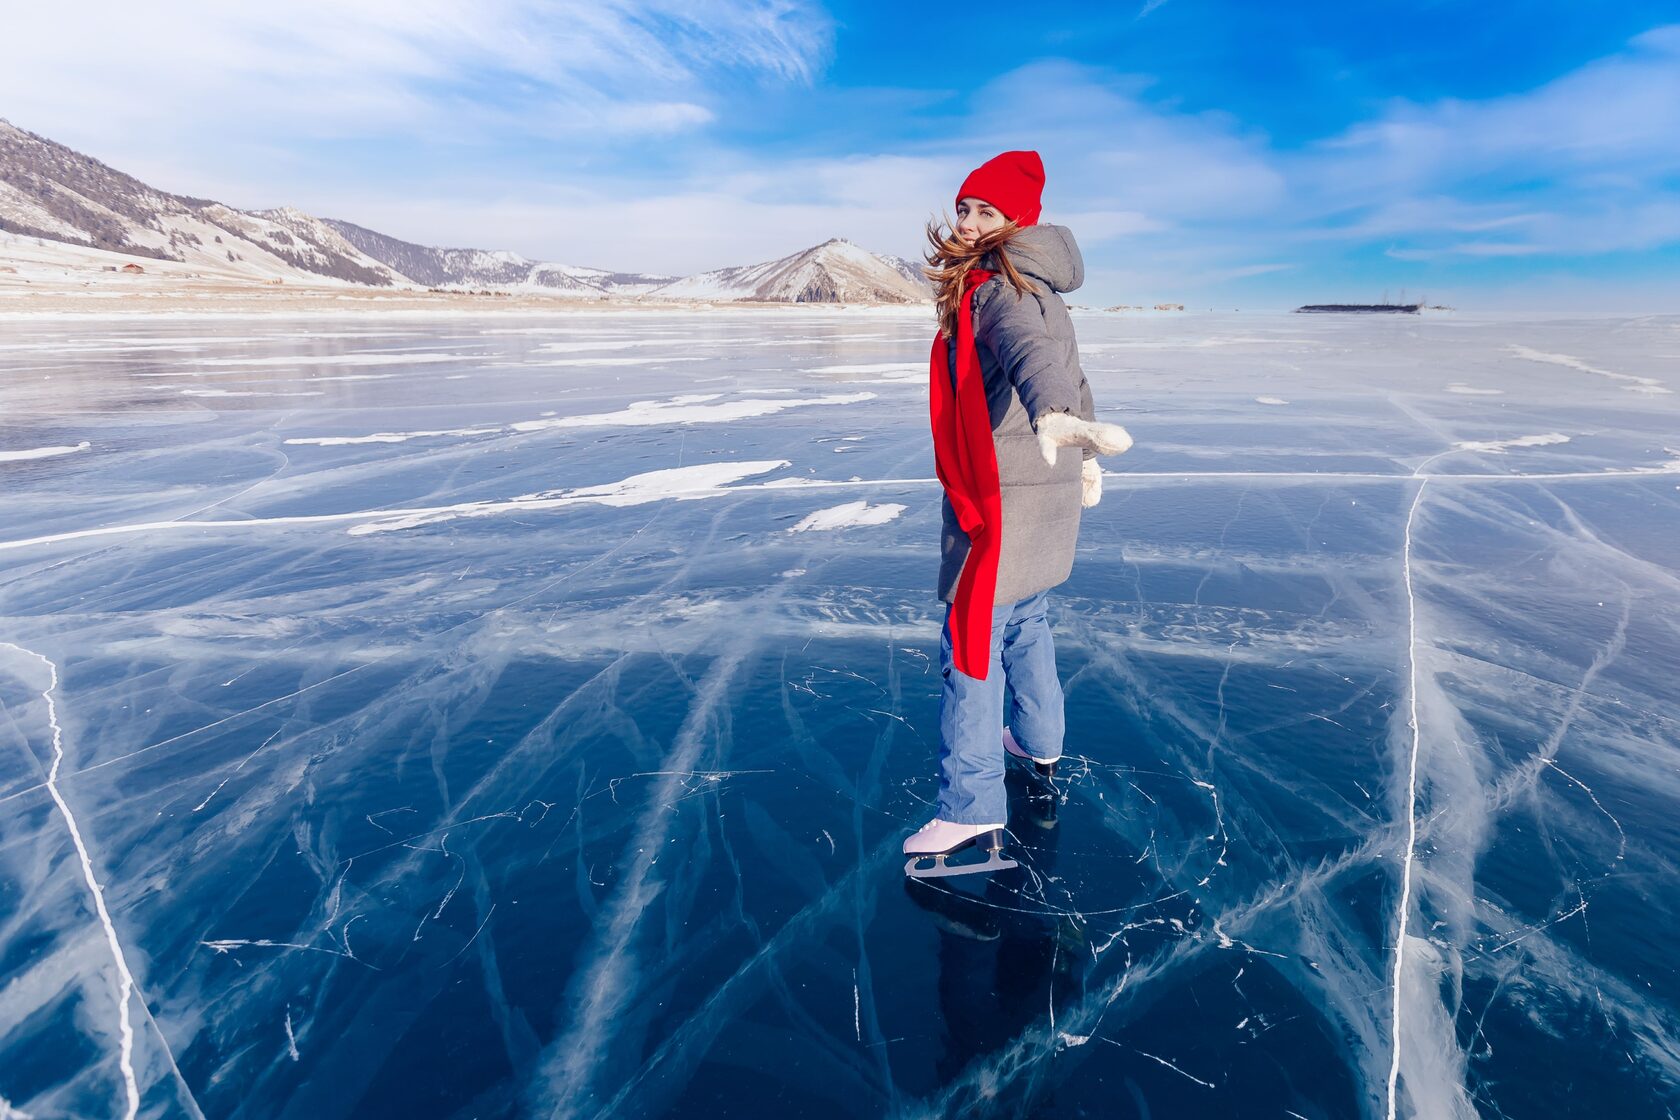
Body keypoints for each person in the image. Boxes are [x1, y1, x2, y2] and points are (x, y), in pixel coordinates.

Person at [904, 150, 1133, 878]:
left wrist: (1060, 418)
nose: (969, 221)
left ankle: (969, 811)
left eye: (987, 212)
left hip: (1001, 497)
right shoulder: (1036, 286)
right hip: (1044, 484)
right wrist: (1080, 446)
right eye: (966, 206)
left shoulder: (999, 289)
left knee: (970, 641)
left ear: (1017, 223)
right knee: (1025, 619)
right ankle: (1039, 741)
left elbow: (1039, 362)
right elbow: (1070, 364)